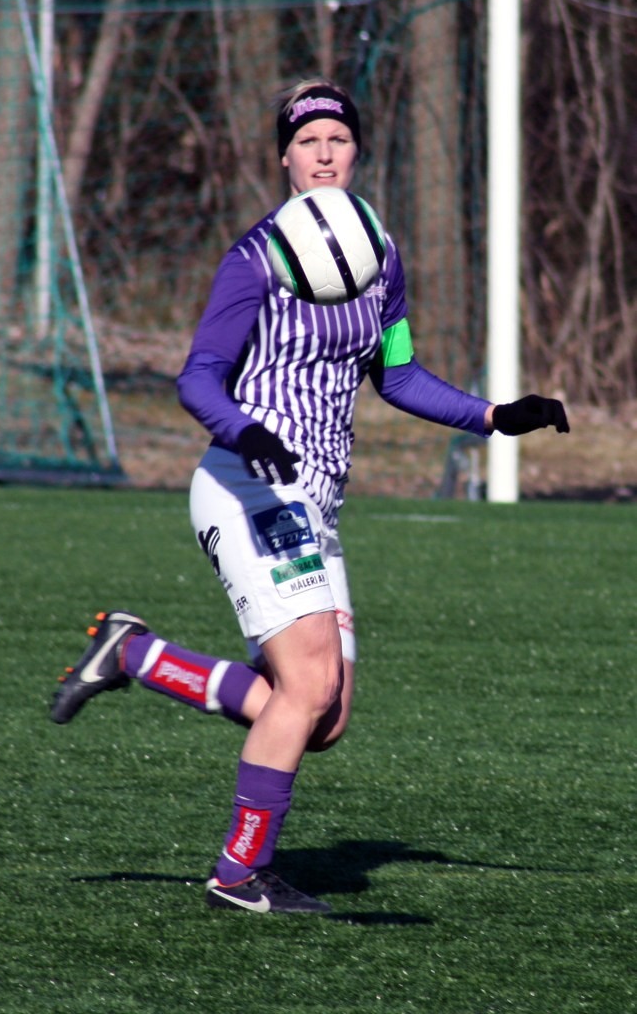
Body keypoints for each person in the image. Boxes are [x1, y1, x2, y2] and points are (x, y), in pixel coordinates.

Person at [51, 78, 569, 915]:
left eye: (338, 139)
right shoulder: (254, 258)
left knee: (322, 718)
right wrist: (246, 432)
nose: (325, 154)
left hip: (313, 506)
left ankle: (134, 654)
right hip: (247, 486)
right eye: (308, 142)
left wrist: (495, 416)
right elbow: (198, 378)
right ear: (285, 159)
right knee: (310, 684)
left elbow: (397, 373)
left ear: (356, 151)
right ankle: (238, 875)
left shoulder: (380, 255)